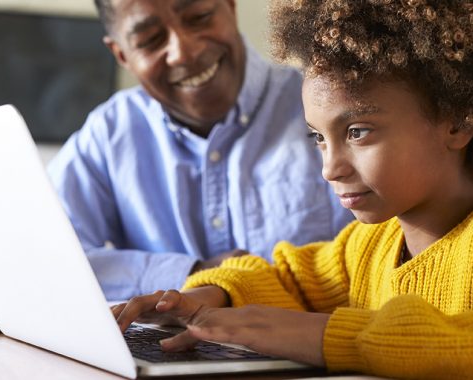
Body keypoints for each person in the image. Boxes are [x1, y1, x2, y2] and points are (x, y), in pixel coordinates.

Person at [111, 0, 473, 378]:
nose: (330, 167)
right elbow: (290, 278)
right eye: (318, 138)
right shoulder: (370, 244)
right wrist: (213, 294)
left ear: (457, 120)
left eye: (358, 132)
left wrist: (334, 335)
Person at [47, 0, 353, 300]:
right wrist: (190, 272)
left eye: (199, 17)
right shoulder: (110, 134)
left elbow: (383, 253)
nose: (185, 52)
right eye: (150, 40)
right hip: (163, 347)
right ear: (122, 55)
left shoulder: (330, 110)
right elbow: (44, 253)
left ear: (230, 6)